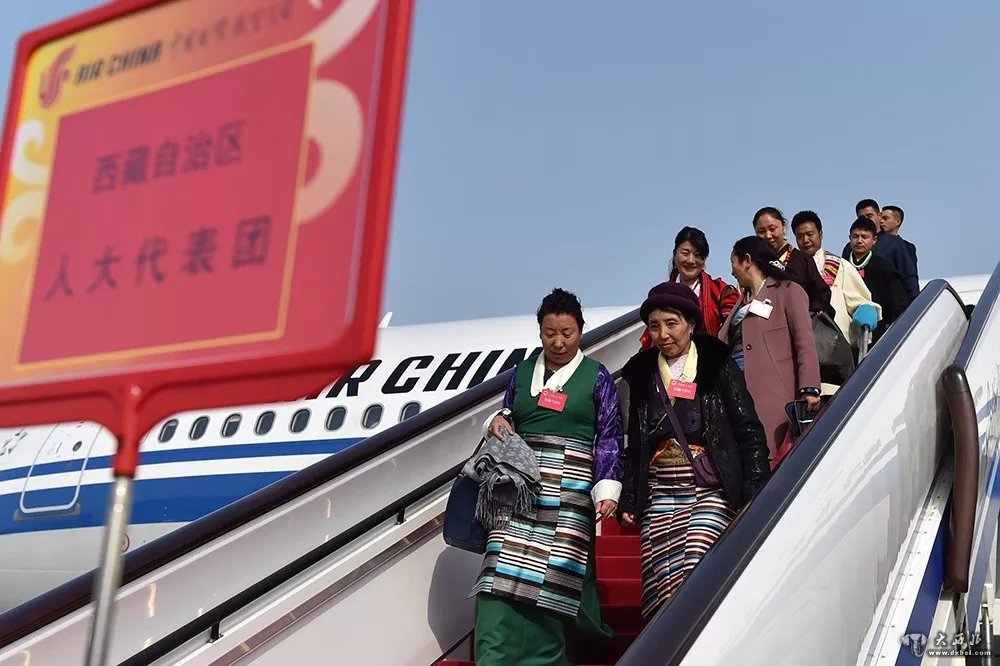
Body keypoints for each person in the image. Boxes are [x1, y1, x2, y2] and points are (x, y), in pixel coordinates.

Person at [473, 288, 624, 666]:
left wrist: (606, 487)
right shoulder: (523, 372)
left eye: (567, 333)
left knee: (556, 577)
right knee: (497, 573)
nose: (558, 342)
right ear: (539, 331)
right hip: (520, 489)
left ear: (581, 332)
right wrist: (498, 421)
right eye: (549, 333)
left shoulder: (597, 376)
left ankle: (550, 656)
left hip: (571, 490)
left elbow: (609, 435)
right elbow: (509, 412)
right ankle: (496, 654)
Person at [619, 282, 770, 619]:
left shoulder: (717, 363)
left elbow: (748, 429)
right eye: (654, 326)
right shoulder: (642, 374)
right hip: (660, 492)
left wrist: (755, 489)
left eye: (671, 324)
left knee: (697, 562)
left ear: (690, 324)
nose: (663, 334)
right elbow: (636, 446)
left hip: (709, 488)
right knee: (663, 580)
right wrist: (630, 498)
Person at [718, 237, 822, 459]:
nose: (732, 271)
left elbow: (804, 341)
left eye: (733, 263)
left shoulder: (788, 290)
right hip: (738, 390)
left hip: (776, 393)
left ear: (747, 260)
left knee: (776, 457)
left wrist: (810, 386)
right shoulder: (741, 301)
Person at [791, 210, 882, 351]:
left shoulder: (840, 265)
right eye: (800, 236)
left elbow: (859, 301)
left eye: (810, 234)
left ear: (820, 234)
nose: (805, 240)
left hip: (837, 345)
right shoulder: (789, 269)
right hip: (801, 344)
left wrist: (865, 311)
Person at [638, 227, 739, 348]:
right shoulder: (660, 296)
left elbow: (735, 328)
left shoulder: (720, 291)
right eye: (685, 253)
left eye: (698, 255)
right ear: (675, 254)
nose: (691, 260)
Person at [752, 206, 835, 319]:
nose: (768, 235)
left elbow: (821, 294)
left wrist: (809, 316)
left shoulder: (802, 260)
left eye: (772, 229)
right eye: (761, 232)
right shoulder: (754, 264)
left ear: (784, 227)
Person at [841, 199, 919, 301]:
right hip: (860, 303)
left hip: (891, 303)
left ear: (879, 216)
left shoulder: (894, 243)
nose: (867, 219)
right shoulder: (850, 247)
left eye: (870, 216)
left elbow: (908, 275)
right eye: (862, 217)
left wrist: (915, 302)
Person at [846, 217, 909, 342]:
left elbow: (898, 301)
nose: (859, 241)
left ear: (874, 240)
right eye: (855, 236)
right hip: (848, 330)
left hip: (878, 330)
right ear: (850, 238)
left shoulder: (883, 266)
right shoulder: (842, 266)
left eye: (864, 237)